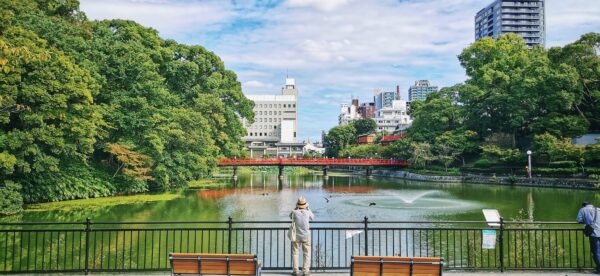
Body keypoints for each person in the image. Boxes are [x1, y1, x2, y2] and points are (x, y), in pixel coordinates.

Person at [290, 196, 314, 276]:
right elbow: (313, 217)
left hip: (296, 236)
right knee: (306, 253)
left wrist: (296, 208)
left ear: (297, 205)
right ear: (305, 205)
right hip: (306, 236)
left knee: (295, 253)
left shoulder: (294, 212)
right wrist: (308, 208)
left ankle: (295, 271)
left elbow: (290, 216)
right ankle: (305, 271)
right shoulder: (307, 212)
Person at [577, 202, 600, 273]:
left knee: (596, 252)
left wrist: (587, 222)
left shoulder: (583, 209)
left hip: (594, 233)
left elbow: (579, 220)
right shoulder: (598, 209)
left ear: (584, 205)